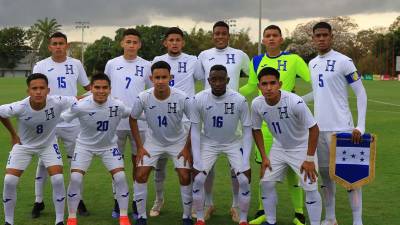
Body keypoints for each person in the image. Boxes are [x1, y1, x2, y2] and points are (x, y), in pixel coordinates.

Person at [239, 25, 310, 225]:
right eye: (267, 36)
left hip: (291, 124)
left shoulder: (294, 59)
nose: (271, 39)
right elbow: (252, 86)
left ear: (281, 39)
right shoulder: (256, 61)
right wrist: (232, 93)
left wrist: (301, 99)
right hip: (267, 126)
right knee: (265, 170)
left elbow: (314, 80)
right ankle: (263, 211)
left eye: (274, 36)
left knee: (291, 173)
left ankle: (299, 213)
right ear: (263, 40)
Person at [307, 21, 367, 225]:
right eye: (318, 35)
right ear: (313, 39)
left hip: (342, 128)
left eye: (325, 35)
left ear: (331, 37)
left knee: (351, 178)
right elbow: (317, 93)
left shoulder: (344, 61)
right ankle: (330, 217)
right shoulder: (312, 63)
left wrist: (360, 126)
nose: (321, 38)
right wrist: (289, 97)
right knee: (325, 177)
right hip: (319, 129)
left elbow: (361, 93)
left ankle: (357, 221)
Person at [1, 73, 77, 225]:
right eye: (34, 88)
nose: (38, 91)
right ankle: (9, 222)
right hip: (24, 146)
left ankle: (59, 220)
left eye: (42, 88)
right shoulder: (20, 107)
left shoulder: (57, 101)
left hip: (48, 144)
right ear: (28, 91)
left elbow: (77, 102)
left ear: (48, 90)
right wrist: (13, 134)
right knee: (9, 180)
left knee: (57, 178)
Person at [251, 67, 322, 225]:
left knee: (310, 187)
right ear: (259, 86)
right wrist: (264, 157)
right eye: (264, 84)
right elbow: (256, 130)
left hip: (302, 148)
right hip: (279, 147)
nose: (269, 88)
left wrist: (309, 158)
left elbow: (314, 129)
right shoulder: (256, 104)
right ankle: (270, 221)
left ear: (280, 84)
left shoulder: (295, 102)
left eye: (272, 83)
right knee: (266, 184)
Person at [32, 31, 91, 218]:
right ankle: (38, 200)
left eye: (61, 43)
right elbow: (36, 91)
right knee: (43, 162)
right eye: (54, 43)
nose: (58, 47)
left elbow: (88, 88)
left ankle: (78, 199)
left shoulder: (76, 64)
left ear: (67, 46)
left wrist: (91, 96)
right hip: (49, 121)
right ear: (50, 47)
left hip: (72, 122)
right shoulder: (41, 65)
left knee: (77, 162)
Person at [195, 21, 250, 222]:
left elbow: (252, 80)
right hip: (209, 114)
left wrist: (238, 95)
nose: (219, 36)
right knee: (206, 166)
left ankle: (235, 205)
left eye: (223, 33)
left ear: (229, 35)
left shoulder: (240, 55)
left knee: (235, 166)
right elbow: (200, 81)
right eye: (216, 33)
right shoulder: (203, 55)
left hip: (233, 114)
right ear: (213, 35)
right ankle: (208, 204)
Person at [130, 61, 193, 225]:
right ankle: (142, 217)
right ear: (151, 78)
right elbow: (133, 119)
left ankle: (187, 216)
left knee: (185, 175)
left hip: (178, 142)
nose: (160, 81)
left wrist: (187, 148)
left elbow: (195, 121)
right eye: (157, 77)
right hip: (153, 142)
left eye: (164, 77)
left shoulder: (181, 97)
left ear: (170, 78)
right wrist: (140, 146)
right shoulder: (143, 97)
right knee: (140, 174)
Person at [63, 73, 131, 225]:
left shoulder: (117, 105)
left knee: (120, 177)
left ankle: (124, 216)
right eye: (97, 87)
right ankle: (72, 217)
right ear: (91, 89)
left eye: (105, 88)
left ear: (110, 89)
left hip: (109, 146)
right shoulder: (81, 106)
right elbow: (62, 118)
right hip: (84, 146)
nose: (101, 91)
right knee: (75, 178)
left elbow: (134, 113)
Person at [191, 65, 252, 225]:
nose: (218, 83)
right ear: (209, 80)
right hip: (209, 142)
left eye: (221, 79)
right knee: (198, 179)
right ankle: (199, 217)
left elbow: (247, 131)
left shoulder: (240, 100)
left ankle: (242, 217)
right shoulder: (199, 99)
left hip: (233, 142)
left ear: (228, 80)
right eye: (214, 79)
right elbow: (195, 131)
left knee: (244, 180)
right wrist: (196, 158)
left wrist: (245, 160)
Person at [149, 27, 200, 217]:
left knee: (188, 164)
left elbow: (204, 81)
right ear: (165, 43)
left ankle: (193, 204)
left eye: (178, 39)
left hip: (186, 120)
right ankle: (158, 200)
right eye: (171, 40)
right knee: (159, 165)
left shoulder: (193, 60)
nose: (175, 43)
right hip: (161, 120)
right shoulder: (156, 61)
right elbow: (151, 88)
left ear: (183, 42)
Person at [104, 28, 152, 218]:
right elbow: (105, 89)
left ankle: (136, 201)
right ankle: (118, 200)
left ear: (139, 45)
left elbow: (151, 92)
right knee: (116, 163)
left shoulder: (147, 65)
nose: (131, 45)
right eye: (128, 42)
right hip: (115, 121)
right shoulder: (112, 64)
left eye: (135, 42)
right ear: (122, 43)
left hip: (139, 123)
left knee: (138, 163)